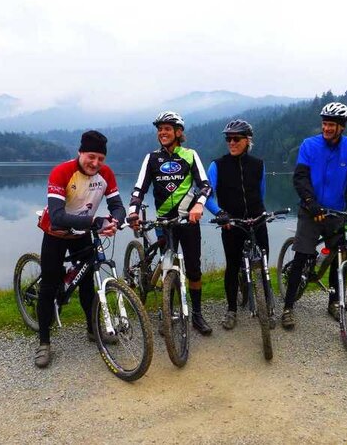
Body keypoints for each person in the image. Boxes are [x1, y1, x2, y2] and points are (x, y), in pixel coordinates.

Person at [281, 102, 347, 330]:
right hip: (311, 211)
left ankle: (333, 303)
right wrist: (311, 204)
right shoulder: (309, 145)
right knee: (301, 257)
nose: (327, 128)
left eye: (332, 124)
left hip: (337, 213)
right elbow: (300, 178)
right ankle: (288, 307)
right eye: (324, 124)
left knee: (338, 257)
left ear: (342, 127)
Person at [34, 130, 126, 368]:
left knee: (87, 284)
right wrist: (95, 222)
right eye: (91, 156)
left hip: (83, 234)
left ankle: (92, 329)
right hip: (56, 233)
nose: (95, 163)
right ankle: (44, 342)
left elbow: (117, 205)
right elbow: (57, 216)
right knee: (49, 285)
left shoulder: (105, 174)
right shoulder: (62, 172)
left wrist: (114, 220)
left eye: (101, 159)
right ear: (80, 153)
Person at [127, 111, 213, 335]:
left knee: (194, 270)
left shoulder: (190, 155)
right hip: (165, 222)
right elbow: (139, 189)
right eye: (159, 129)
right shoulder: (152, 158)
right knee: (168, 268)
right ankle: (168, 313)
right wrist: (133, 211)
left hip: (188, 221)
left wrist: (199, 205)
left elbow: (205, 186)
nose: (162, 133)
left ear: (178, 132)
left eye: (167, 128)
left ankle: (196, 315)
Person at [204, 119, 271, 330]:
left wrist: (260, 214)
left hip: (257, 221)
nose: (231, 143)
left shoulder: (258, 164)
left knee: (264, 265)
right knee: (232, 267)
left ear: (247, 140)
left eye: (236, 139)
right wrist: (220, 213)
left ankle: (268, 307)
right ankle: (231, 310)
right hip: (231, 224)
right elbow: (207, 196)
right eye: (228, 139)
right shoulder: (217, 165)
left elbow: (261, 193)